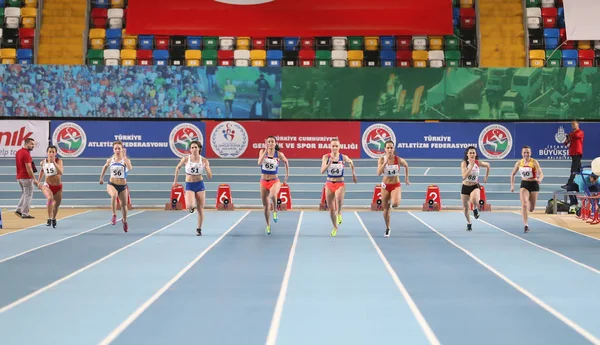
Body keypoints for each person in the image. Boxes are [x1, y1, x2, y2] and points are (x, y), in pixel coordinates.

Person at [173, 141, 212, 236]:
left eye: (196, 147)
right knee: (190, 205)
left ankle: (199, 228)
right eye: (192, 147)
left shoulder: (204, 160)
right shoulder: (186, 159)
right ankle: (191, 206)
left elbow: (210, 176)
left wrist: (207, 169)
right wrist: (175, 181)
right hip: (189, 185)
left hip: (200, 184)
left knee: (200, 208)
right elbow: (177, 167)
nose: (194, 149)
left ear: (199, 149)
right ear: (190, 149)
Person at [320, 138, 358, 237]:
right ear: (330, 147)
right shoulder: (325, 157)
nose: (335, 148)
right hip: (329, 183)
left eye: (336, 146)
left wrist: (353, 174)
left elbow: (351, 162)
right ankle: (335, 227)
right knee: (331, 209)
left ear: (339, 147)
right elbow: (322, 171)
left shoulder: (343, 157)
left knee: (338, 198)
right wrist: (329, 163)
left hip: (340, 182)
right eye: (333, 146)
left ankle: (340, 213)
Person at [376, 140, 410, 237]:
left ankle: (392, 204)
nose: (390, 150)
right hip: (385, 186)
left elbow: (406, 165)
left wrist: (406, 178)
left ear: (393, 149)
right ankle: (388, 228)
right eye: (388, 148)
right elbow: (378, 173)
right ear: (385, 149)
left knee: (395, 203)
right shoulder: (381, 159)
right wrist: (385, 163)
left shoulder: (398, 159)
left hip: (395, 185)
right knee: (385, 210)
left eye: (391, 148)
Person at [258, 136, 289, 235]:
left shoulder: (279, 154)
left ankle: (275, 210)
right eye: (269, 141)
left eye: (272, 142)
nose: (270, 143)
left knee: (272, 195)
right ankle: (268, 225)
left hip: (274, 181)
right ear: (267, 143)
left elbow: (286, 162)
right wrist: (265, 152)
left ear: (275, 144)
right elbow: (259, 162)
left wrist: (287, 174)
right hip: (263, 181)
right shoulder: (262, 152)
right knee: (266, 206)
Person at [99, 141, 133, 233]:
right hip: (112, 184)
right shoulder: (110, 160)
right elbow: (105, 166)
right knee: (114, 195)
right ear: (113, 150)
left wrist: (125, 157)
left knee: (124, 205)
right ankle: (114, 215)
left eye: (119, 148)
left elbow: (130, 168)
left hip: (122, 186)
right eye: (116, 149)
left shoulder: (125, 160)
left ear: (122, 149)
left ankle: (124, 221)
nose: (117, 150)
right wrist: (101, 178)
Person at [510, 145, 544, 233]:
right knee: (524, 204)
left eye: (528, 152)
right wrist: (512, 186)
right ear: (522, 153)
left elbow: (541, 173)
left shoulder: (534, 162)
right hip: (524, 184)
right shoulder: (519, 163)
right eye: (524, 152)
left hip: (534, 184)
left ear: (530, 153)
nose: (526, 154)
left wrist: (539, 179)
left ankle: (528, 200)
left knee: (531, 209)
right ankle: (526, 225)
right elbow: (512, 174)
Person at [460, 146, 491, 232]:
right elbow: (464, 175)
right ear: (467, 154)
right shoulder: (464, 163)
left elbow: (488, 165)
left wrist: (486, 177)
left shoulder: (478, 163)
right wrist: (471, 166)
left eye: (473, 153)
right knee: (465, 208)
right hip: (465, 187)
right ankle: (469, 223)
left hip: (474, 186)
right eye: (470, 153)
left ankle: (474, 209)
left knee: (474, 200)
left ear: (476, 154)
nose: (472, 154)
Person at [37, 145, 64, 228]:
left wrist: (53, 163)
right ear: (47, 153)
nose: (51, 153)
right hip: (47, 185)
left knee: (56, 205)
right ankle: (49, 218)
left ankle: (53, 218)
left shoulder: (59, 161)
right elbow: (42, 171)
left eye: (53, 152)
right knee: (50, 198)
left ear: (55, 153)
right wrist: (38, 181)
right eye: (50, 152)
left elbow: (61, 172)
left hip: (58, 187)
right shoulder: (43, 162)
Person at [15, 138, 37, 219]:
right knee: (28, 195)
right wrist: (34, 178)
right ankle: (25, 213)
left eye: (33, 144)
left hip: (20, 177)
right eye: (31, 144)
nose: (33, 146)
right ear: (27, 143)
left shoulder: (18, 152)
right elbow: (29, 168)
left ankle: (19, 209)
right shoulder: (26, 154)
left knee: (25, 194)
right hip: (26, 178)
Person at [562, 120, 584, 188]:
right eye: (572, 124)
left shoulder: (580, 132)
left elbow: (576, 135)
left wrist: (569, 135)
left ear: (578, 125)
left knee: (573, 170)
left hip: (577, 153)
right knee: (579, 170)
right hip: (573, 153)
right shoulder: (571, 134)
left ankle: (569, 184)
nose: (573, 126)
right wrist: (566, 140)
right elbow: (566, 143)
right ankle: (584, 182)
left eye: (574, 124)